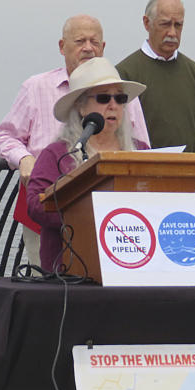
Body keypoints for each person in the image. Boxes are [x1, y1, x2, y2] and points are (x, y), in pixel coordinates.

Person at [0, 15, 149, 268]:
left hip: (125, 239)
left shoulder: (132, 136)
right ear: (62, 46)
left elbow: (143, 144)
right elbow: (3, 136)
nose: (88, 47)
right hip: (57, 225)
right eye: (80, 41)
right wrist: (24, 158)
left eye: (119, 100)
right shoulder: (36, 89)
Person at [26, 58, 148, 272]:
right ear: (81, 107)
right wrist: (83, 216)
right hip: (71, 268)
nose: (113, 105)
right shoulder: (57, 155)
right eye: (103, 98)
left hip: (135, 262)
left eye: (120, 98)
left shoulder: (142, 151)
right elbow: (36, 205)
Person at [116, 0, 195, 152]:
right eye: (165, 24)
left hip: (192, 173)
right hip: (142, 172)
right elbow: (117, 131)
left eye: (178, 25)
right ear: (146, 23)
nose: (172, 33)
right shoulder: (124, 73)